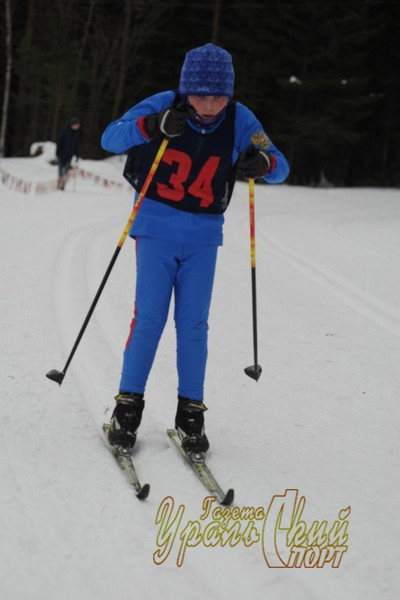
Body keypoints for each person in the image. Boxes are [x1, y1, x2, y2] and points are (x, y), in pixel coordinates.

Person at [101, 43, 289, 454]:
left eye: (218, 96)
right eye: (200, 95)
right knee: (149, 318)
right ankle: (127, 406)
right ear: (187, 89)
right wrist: (152, 125)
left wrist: (264, 164)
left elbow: (280, 163)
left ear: (230, 93)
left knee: (194, 325)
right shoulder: (166, 103)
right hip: (155, 228)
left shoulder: (241, 119)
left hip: (204, 236)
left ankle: (191, 412)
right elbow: (110, 138)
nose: (208, 105)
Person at [56, 117, 81, 190]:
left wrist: (77, 155)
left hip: (69, 155)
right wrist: (58, 153)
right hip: (62, 154)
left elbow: (76, 145)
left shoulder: (76, 133)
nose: (77, 127)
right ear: (72, 125)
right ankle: (59, 184)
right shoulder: (64, 131)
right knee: (60, 170)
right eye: (76, 125)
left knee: (66, 170)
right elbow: (59, 142)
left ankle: (63, 185)